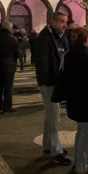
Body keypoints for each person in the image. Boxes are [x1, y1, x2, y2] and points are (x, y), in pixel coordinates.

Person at [59, 27, 88, 174]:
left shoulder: (68, 56)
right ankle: (81, 166)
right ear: (86, 40)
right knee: (85, 134)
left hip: (74, 99)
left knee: (81, 132)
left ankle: (80, 161)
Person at [33, 12, 71, 165]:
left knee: (50, 115)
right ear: (53, 22)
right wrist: (47, 81)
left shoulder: (59, 37)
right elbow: (42, 62)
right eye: (62, 22)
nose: (65, 25)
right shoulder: (46, 37)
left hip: (55, 81)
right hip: (49, 82)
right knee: (54, 116)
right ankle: (56, 151)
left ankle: (48, 146)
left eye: (65, 22)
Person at [0, 22, 19, 114]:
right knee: (8, 86)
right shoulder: (12, 38)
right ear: (9, 28)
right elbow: (16, 53)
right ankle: (7, 106)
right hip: (8, 64)